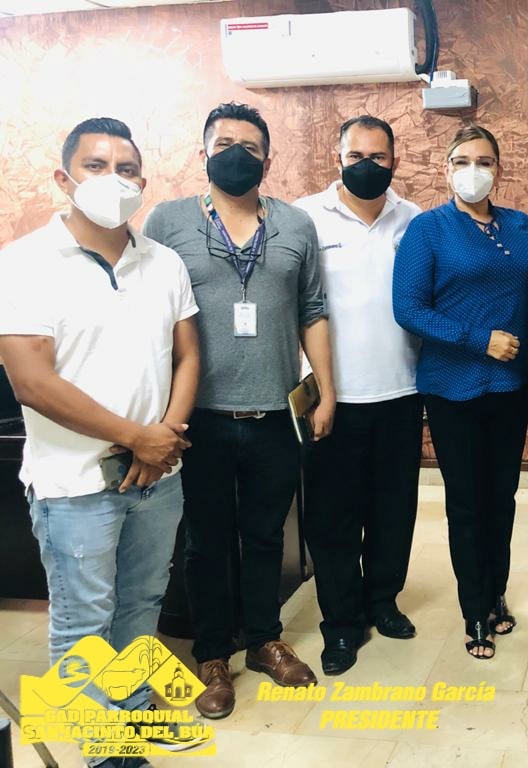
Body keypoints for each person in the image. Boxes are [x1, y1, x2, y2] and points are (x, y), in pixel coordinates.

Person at [0, 117, 200, 768]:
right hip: (74, 485)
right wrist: (136, 437)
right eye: (96, 166)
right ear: (65, 178)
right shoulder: (24, 263)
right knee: (83, 623)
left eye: (127, 169)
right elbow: (31, 381)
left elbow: (188, 355)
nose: (114, 179)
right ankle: (105, 752)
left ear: (142, 182)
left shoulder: (163, 261)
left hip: (157, 478)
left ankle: (133, 712)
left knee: (141, 604)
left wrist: (163, 439)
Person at [144, 102, 335, 720]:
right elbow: (148, 316)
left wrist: (326, 392)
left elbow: (313, 310)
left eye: (249, 147)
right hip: (197, 418)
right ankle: (212, 654)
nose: (236, 155)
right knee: (205, 543)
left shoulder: (296, 225)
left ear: (267, 161)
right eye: (224, 143)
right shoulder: (167, 221)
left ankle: (263, 639)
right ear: (203, 154)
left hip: (275, 414)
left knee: (264, 536)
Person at [393, 124, 528, 660]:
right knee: (467, 503)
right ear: (447, 168)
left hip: (511, 388)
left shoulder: (522, 226)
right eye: (462, 161)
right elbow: (408, 309)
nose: (473, 170)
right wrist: (479, 339)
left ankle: (496, 593)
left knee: (502, 497)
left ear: (499, 169)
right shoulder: (428, 229)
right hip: (453, 388)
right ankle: (474, 611)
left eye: (484, 161)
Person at [293, 115, 422, 676]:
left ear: (395, 160)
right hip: (332, 398)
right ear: (338, 158)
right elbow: (299, 306)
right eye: (355, 156)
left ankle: (383, 602)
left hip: (402, 391)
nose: (366, 165)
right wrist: (316, 390)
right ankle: (342, 623)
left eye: (378, 157)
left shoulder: (413, 219)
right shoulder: (304, 217)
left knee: (394, 511)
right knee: (333, 519)